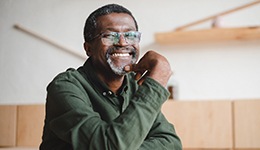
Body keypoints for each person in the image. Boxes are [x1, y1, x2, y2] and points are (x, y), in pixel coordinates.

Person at [40, 3, 182, 150]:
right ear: (88, 48)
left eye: (130, 35)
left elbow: (171, 142)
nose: (122, 42)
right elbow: (108, 147)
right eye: (109, 35)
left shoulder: (134, 84)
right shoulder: (65, 86)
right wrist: (156, 81)